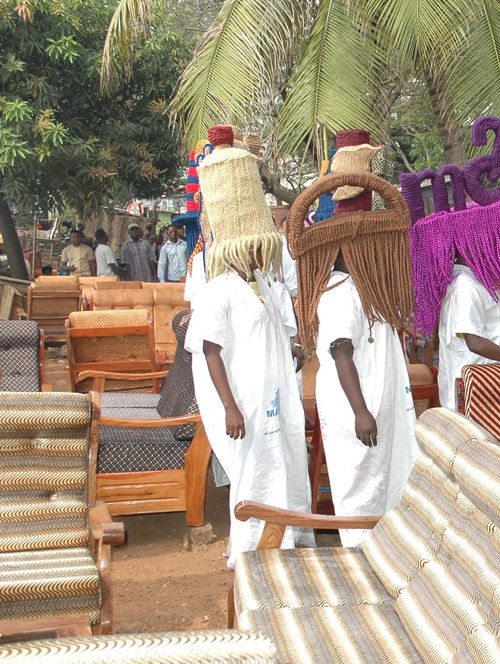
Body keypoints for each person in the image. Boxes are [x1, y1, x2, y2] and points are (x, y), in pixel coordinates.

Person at [185, 125, 312, 568]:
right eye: (257, 249)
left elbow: (275, 332)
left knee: (284, 464)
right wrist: (230, 408)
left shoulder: (260, 281)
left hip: (275, 395)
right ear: (241, 248)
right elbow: (209, 349)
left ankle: (287, 540)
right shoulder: (218, 290)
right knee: (255, 473)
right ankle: (251, 553)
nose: (263, 256)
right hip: (246, 402)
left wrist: (293, 352)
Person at [291, 164, 417, 548]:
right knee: (360, 485)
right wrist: (362, 411)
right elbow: (341, 356)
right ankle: (360, 555)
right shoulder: (339, 295)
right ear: (347, 250)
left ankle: (384, 550)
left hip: (377, 405)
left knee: (386, 480)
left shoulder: (363, 287)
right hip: (357, 409)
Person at [402, 116, 500, 411]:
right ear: (470, 247)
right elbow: (476, 343)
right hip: (476, 394)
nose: (495, 246)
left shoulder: (471, 281)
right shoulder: (465, 287)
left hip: (485, 389)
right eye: (489, 240)